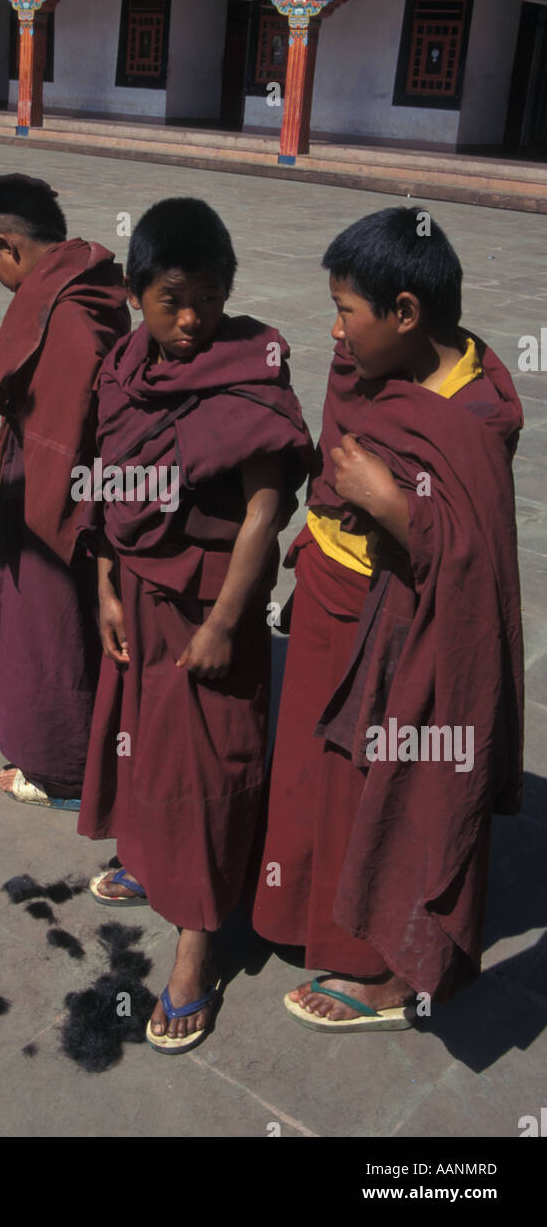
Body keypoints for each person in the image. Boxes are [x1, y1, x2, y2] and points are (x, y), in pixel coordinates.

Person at [249, 206, 524, 1029]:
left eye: (348, 311)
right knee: (316, 774)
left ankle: (387, 969)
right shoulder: (364, 362)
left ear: (405, 313)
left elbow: (474, 561)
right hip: (331, 592)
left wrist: (390, 506)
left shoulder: (474, 412)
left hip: (401, 621)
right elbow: (334, 463)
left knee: (390, 786)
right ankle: (309, 917)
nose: (335, 332)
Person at [77, 197, 313, 1052]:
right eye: (171, 298)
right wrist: (105, 582)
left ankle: (197, 942)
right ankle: (151, 859)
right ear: (138, 291)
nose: (189, 321)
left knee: (211, 766)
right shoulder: (127, 363)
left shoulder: (250, 368)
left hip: (211, 601)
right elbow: (108, 473)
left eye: (207, 301)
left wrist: (222, 622)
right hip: (136, 589)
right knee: (144, 741)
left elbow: (262, 512)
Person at [0, 178, 130, 807]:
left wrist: (51, 519)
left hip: (59, 498)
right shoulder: (87, 280)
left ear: (6, 245)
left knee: (56, 623)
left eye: (0, 272)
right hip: (60, 480)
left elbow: (67, 429)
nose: (8, 289)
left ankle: (61, 770)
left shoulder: (67, 313)